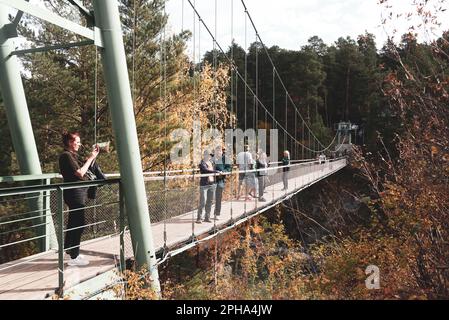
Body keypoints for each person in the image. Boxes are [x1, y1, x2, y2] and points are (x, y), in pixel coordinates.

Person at [59, 131, 99, 267]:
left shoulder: (71, 155)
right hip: (74, 194)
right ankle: (74, 257)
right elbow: (80, 173)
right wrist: (90, 158)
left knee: (73, 222)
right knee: (79, 224)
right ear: (70, 142)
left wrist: (92, 158)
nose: (79, 144)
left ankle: (70, 250)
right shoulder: (66, 156)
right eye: (77, 142)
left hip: (76, 194)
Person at [197, 150, 220, 223]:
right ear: (204, 155)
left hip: (212, 184)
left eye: (210, 155)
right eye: (208, 155)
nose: (209, 156)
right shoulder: (202, 163)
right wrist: (216, 172)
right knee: (203, 202)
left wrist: (218, 171)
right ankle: (199, 218)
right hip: (204, 185)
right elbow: (206, 170)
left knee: (210, 201)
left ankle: (207, 217)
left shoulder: (211, 162)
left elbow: (214, 169)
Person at [212, 146, 232, 220]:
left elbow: (229, 168)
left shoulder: (225, 159)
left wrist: (224, 172)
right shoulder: (212, 158)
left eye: (219, 151)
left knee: (218, 197)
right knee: (209, 197)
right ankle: (206, 214)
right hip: (211, 180)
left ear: (222, 152)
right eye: (216, 151)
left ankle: (216, 213)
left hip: (220, 180)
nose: (218, 152)